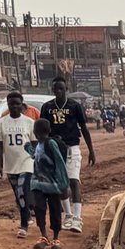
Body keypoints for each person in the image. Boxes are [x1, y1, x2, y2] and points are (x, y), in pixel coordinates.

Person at [40, 76, 95, 234]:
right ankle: (68, 215)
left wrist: (91, 150)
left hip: (72, 148)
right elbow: (42, 130)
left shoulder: (74, 106)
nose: (58, 91)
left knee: (74, 181)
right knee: (62, 184)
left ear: (66, 89)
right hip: (55, 149)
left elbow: (84, 129)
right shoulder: (47, 107)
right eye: (55, 88)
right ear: (52, 89)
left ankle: (77, 218)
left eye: (61, 89)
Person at [0, 90, 36, 239]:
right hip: (11, 165)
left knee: (22, 192)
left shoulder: (29, 122)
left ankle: (23, 225)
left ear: (22, 105)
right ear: (8, 105)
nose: (14, 107)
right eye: (11, 104)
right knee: (18, 196)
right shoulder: (1, 123)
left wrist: (34, 159)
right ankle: (27, 213)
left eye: (17, 104)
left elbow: (35, 143)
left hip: (26, 163)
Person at [26, 118, 69, 249]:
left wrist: (63, 183)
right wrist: (28, 148)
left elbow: (59, 162)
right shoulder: (39, 144)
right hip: (39, 183)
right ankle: (46, 236)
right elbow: (37, 156)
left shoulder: (51, 144)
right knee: (41, 208)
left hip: (52, 184)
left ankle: (54, 237)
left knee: (52, 208)